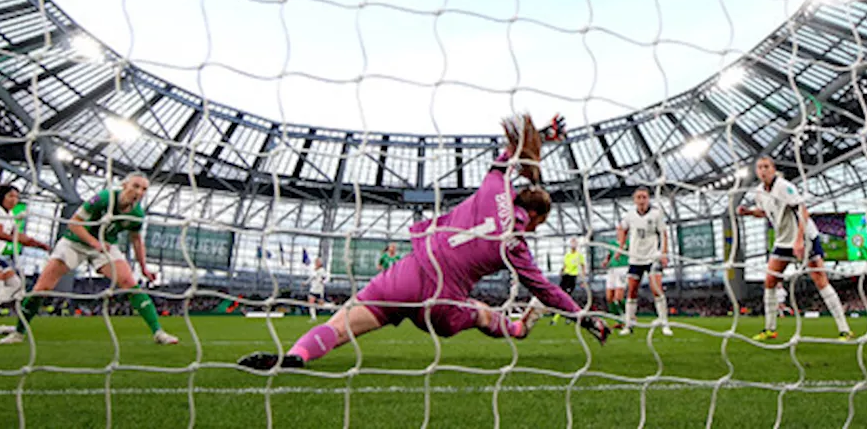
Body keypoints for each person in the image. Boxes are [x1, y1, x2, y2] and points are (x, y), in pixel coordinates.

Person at [237, 114, 609, 371]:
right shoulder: (517, 247)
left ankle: (296, 355)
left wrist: (543, 133)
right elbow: (545, 290)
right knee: (479, 311)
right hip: (443, 303)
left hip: (410, 273)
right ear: (538, 219)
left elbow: (512, 152)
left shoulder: (494, 186)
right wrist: (585, 318)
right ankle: (518, 329)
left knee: (341, 325)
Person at [0, 172, 179, 346]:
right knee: (42, 288)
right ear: (124, 185)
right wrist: (94, 243)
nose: (139, 192)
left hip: (105, 246)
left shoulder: (137, 214)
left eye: (144, 189)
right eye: (136, 186)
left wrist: (144, 268)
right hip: (74, 242)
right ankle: (18, 333)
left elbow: (137, 241)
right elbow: (73, 223)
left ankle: (158, 332)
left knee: (129, 283)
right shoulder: (103, 198)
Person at [737, 156, 852, 342]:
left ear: (773, 169)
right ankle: (770, 329)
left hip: (805, 237)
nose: (763, 170)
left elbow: (802, 211)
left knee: (820, 279)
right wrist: (749, 212)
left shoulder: (784, 187)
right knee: (770, 281)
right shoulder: (759, 191)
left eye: (766, 167)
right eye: (759, 167)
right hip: (783, 241)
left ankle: (845, 330)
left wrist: (800, 241)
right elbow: (765, 212)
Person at [0, 184, 51, 333]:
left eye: (16, 197)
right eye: (10, 196)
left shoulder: (10, 215)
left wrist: (39, 245)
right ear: (1, 197)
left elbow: (18, 236)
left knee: (16, 284)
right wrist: (18, 239)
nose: (14, 200)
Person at [616, 187, 672, 337]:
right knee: (632, 290)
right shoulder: (630, 215)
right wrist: (621, 246)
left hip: (653, 257)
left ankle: (664, 323)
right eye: (639, 197)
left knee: (657, 289)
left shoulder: (656, 214)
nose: (642, 200)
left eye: (644, 197)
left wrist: (664, 253)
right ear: (634, 200)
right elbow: (621, 228)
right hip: (635, 258)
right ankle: (629, 324)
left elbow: (664, 234)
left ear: (648, 199)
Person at [552, 238, 586, 325]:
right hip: (565, 277)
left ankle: (565, 317)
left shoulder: (579, 255)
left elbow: (583, 267)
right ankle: (559, 317)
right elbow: (564, 265)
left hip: (572, 277)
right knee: (561, 297)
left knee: (567, 297)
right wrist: (561, 271)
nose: (573, 245)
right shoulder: (567, 255)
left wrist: (583, 279)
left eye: (575, 243)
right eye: (572, 243)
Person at [602, 240, 628, 319]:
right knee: (609, 297)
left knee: (619, 297)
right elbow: (609, 255)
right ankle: (619, 319)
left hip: (622, 269)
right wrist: (606, 261)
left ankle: (630, 314)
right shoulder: (612, 243)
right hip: (611, 270)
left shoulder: (628, 242)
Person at [307, 257, 330, 321]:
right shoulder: (314, 270)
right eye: (316, 262)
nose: (316, 263)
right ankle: (313, 317)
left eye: (317, 262)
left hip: (319, 290)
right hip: (313, 289)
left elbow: (327, 277)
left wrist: (323, 282)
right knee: (311, 302)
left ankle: (332, 307)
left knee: (321, 304)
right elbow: (311, 278)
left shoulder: (322, 270)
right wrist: (306, 283)